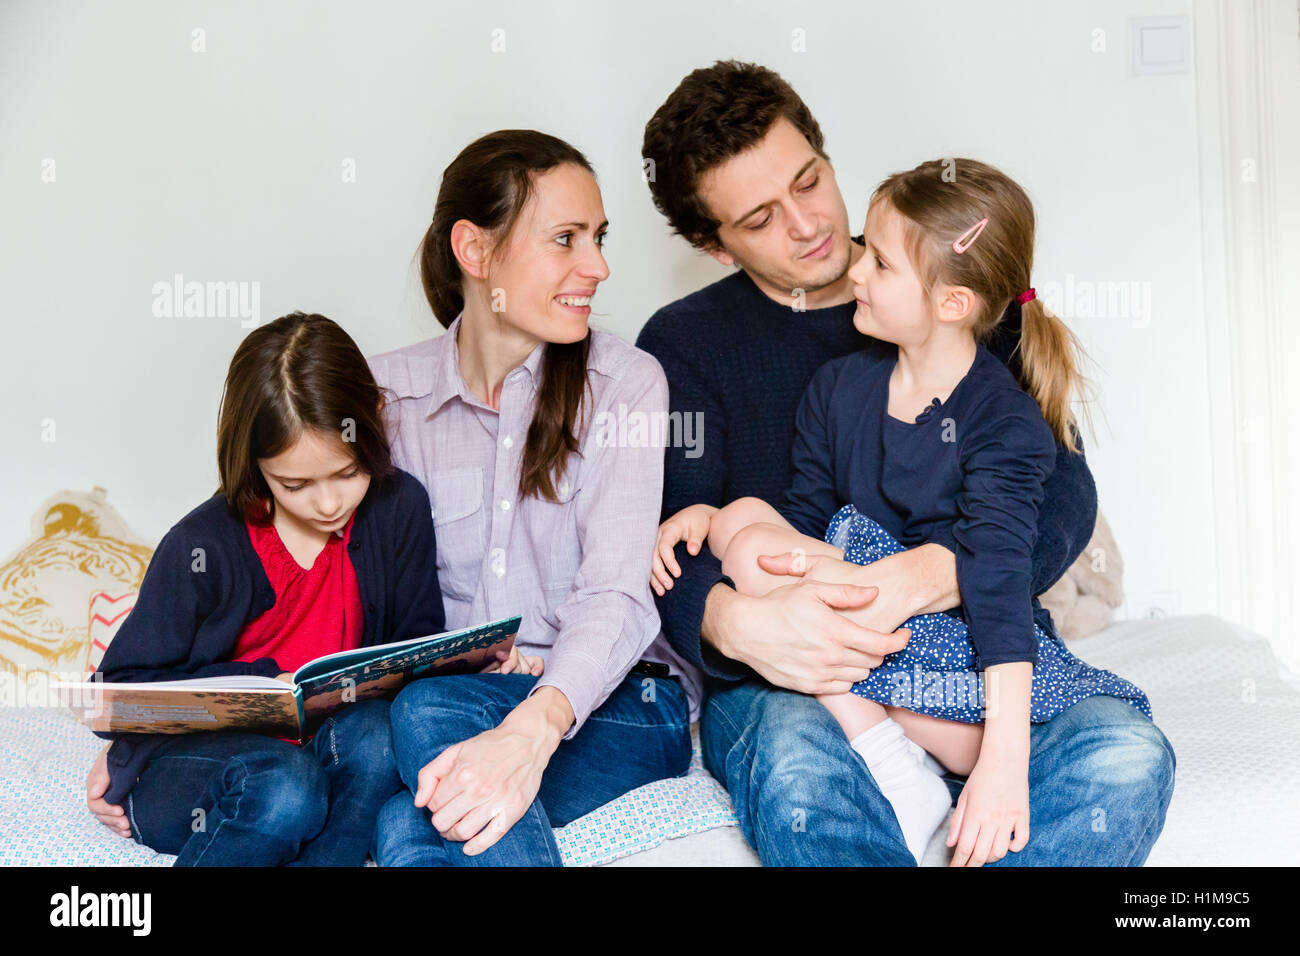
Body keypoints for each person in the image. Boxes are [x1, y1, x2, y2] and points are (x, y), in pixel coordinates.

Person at [636, 60, 1175, 866]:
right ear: (714, 247)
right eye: (759, 218)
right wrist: (737, 625)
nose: (808, 224)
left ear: (824, 152)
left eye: (809, 181)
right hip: (796, 674)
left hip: (977, 644)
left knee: (1126, 756)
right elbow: (664, 540)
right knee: (796, 771)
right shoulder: (685, 345)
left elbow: (1064, 494)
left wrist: (934, 575)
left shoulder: (959, 287)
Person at [368, 129, 696, 866]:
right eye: (566, 240)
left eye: (599, 238)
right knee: (405, 820)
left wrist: (531, 724)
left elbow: (616, 591)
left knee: (426, 726)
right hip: (460, 698)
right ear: (476, 252)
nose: (600, 267)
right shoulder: (387, 396)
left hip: (616, 705)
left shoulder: (627, 384)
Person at [82, 312, 451, 865]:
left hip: (327, 756)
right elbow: (121, 694)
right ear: (254, 465)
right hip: (200, 773)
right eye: (296, 484)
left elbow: (415, 647)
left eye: (348, 472)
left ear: (373, 420)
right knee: (286, 787)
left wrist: (479, 663)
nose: (329, 505)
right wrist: (260, 687)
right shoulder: (201, 546)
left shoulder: (398, 510)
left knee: (377, 740)